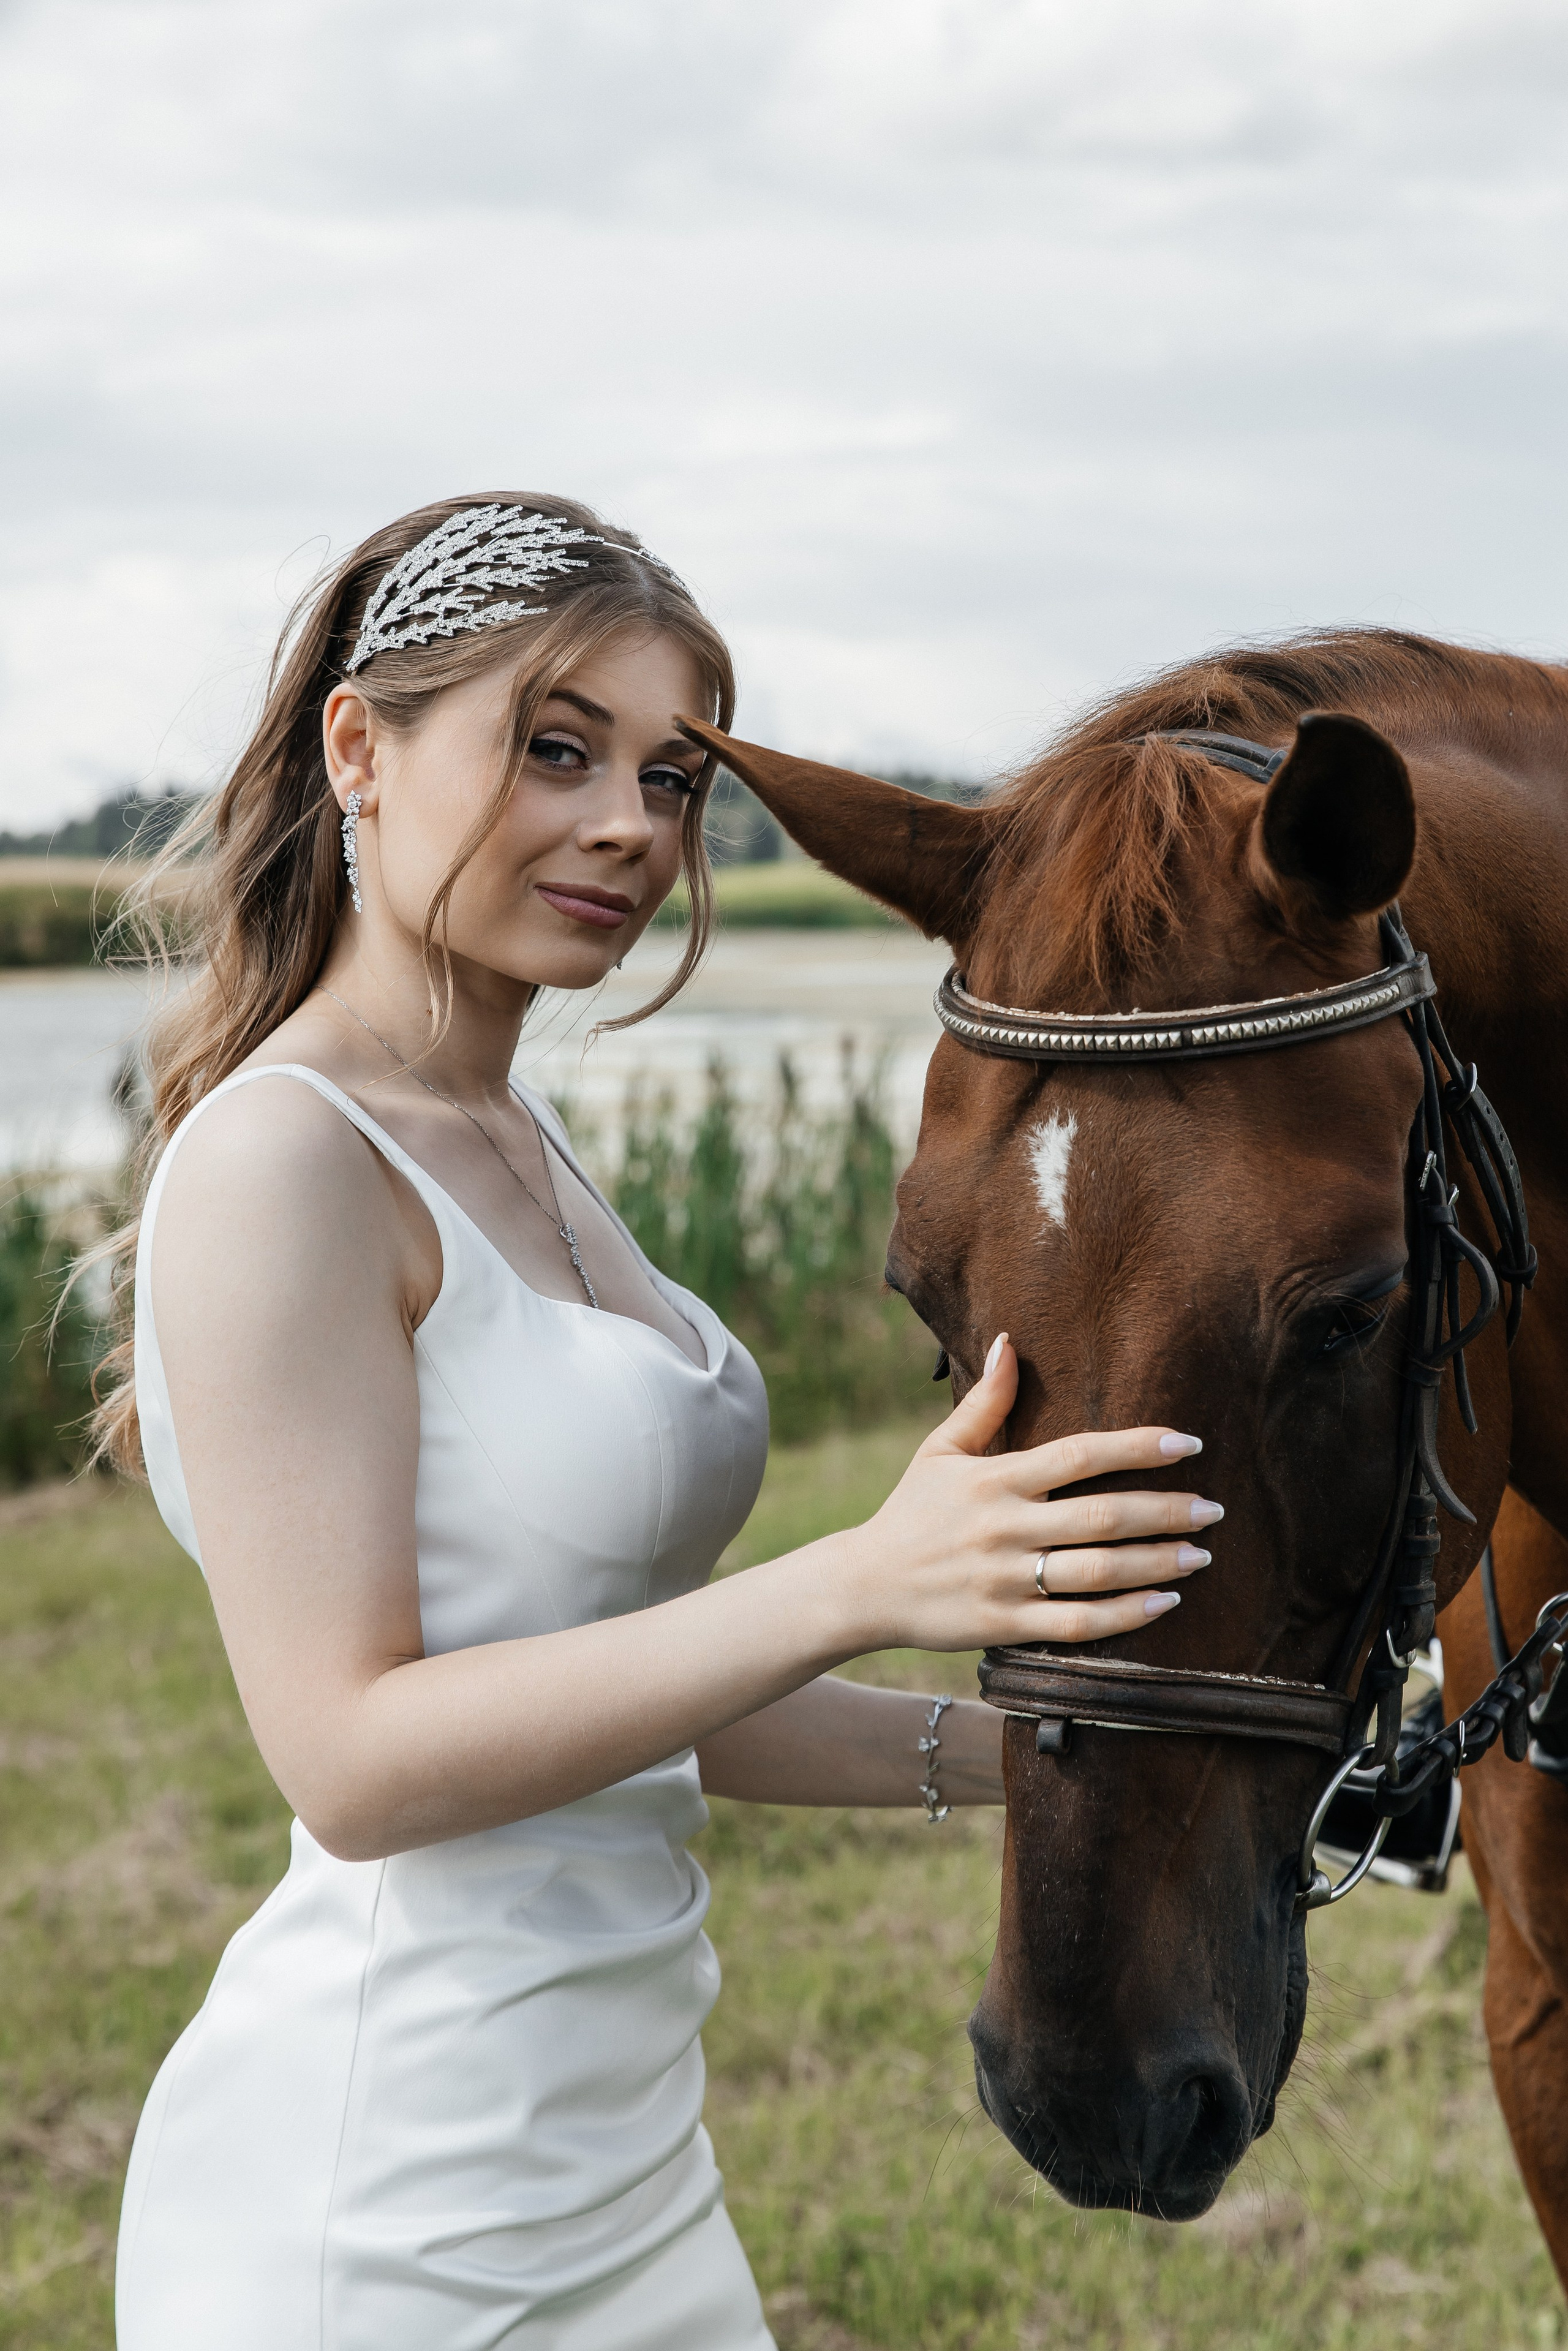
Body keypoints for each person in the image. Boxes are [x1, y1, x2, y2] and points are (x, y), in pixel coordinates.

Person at [102, 496, 1219, 2349]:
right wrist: (862, 1577)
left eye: (675, 777)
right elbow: (355, 1761)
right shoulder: (290, 1161)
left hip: (624, 2173)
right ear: (358, 749)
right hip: (382, 2208)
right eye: (557, 749)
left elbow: (631, 1699)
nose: (632, 823)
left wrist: (1069, 1750)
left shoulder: (522, 1149)